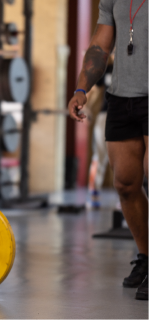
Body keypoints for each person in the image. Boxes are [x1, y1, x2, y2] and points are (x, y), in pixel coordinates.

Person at [67, 0, 149, 300]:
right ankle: (146, 256)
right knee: (126, 184)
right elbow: (100, 46)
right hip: (122, 98)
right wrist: (81, 89)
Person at [86, 58, 113, 208]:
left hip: (128, 117)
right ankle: (94, 194)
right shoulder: (107, 70)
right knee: (100, 156)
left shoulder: (136, 68)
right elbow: (95, 91)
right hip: (105, 116)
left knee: (127, 158)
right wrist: (87, 107)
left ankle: (126, 199)